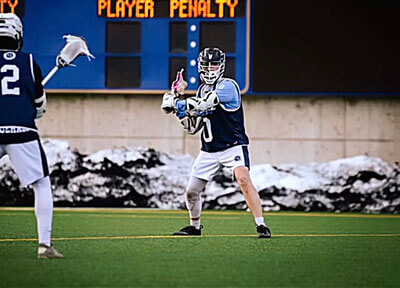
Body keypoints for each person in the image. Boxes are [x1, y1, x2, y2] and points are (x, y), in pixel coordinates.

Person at [162, 47, 271, 238]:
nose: (210, 69)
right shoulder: (202, 89)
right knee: (191, 192)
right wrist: (178, 108)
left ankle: (261, 225)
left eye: (214, 65)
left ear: (221, 66)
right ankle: (195, 227)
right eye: (207, 65)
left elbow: (205, 104)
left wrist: (177, 103)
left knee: (243, 178)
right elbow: (192, 127)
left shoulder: (228, 86)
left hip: (233, 144)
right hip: (209, 150)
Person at [0, 13, 63, 258]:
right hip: (22, 131)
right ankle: (45, 246)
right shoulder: (28, 61)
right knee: (41, 184)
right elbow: (39, 106)